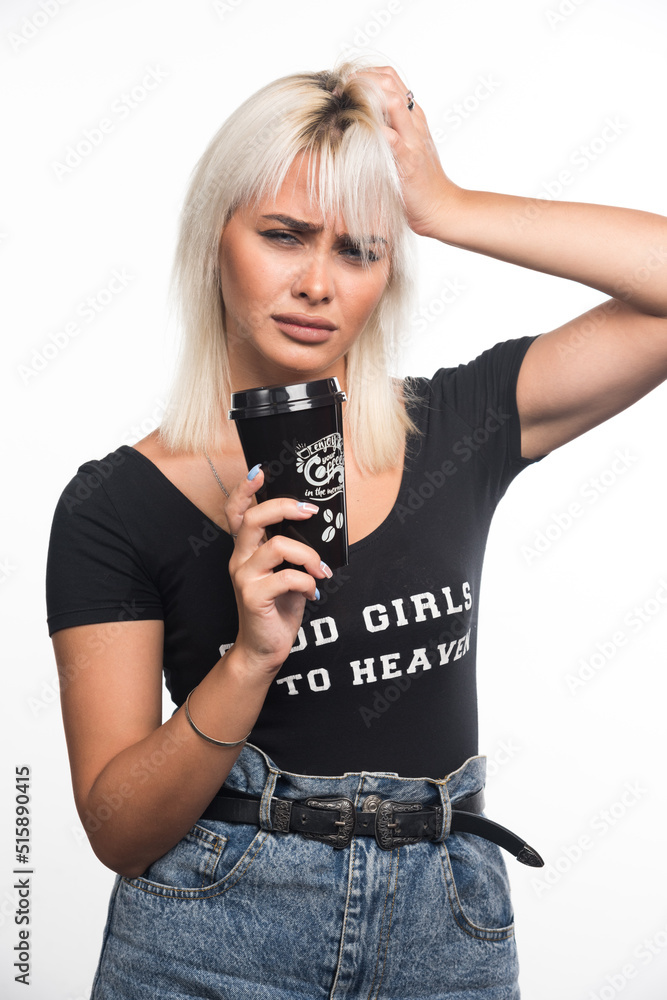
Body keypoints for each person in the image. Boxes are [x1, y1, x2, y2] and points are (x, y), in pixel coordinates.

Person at [45, 57, 667, 998]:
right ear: (215, 238)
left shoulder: (453, 428)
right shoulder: (115, 506)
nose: (316, 284)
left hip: (445, 935)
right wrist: (250, 658)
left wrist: (442, 204)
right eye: (282, 236)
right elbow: (119, 831)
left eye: (357, 250)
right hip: (211, 937)